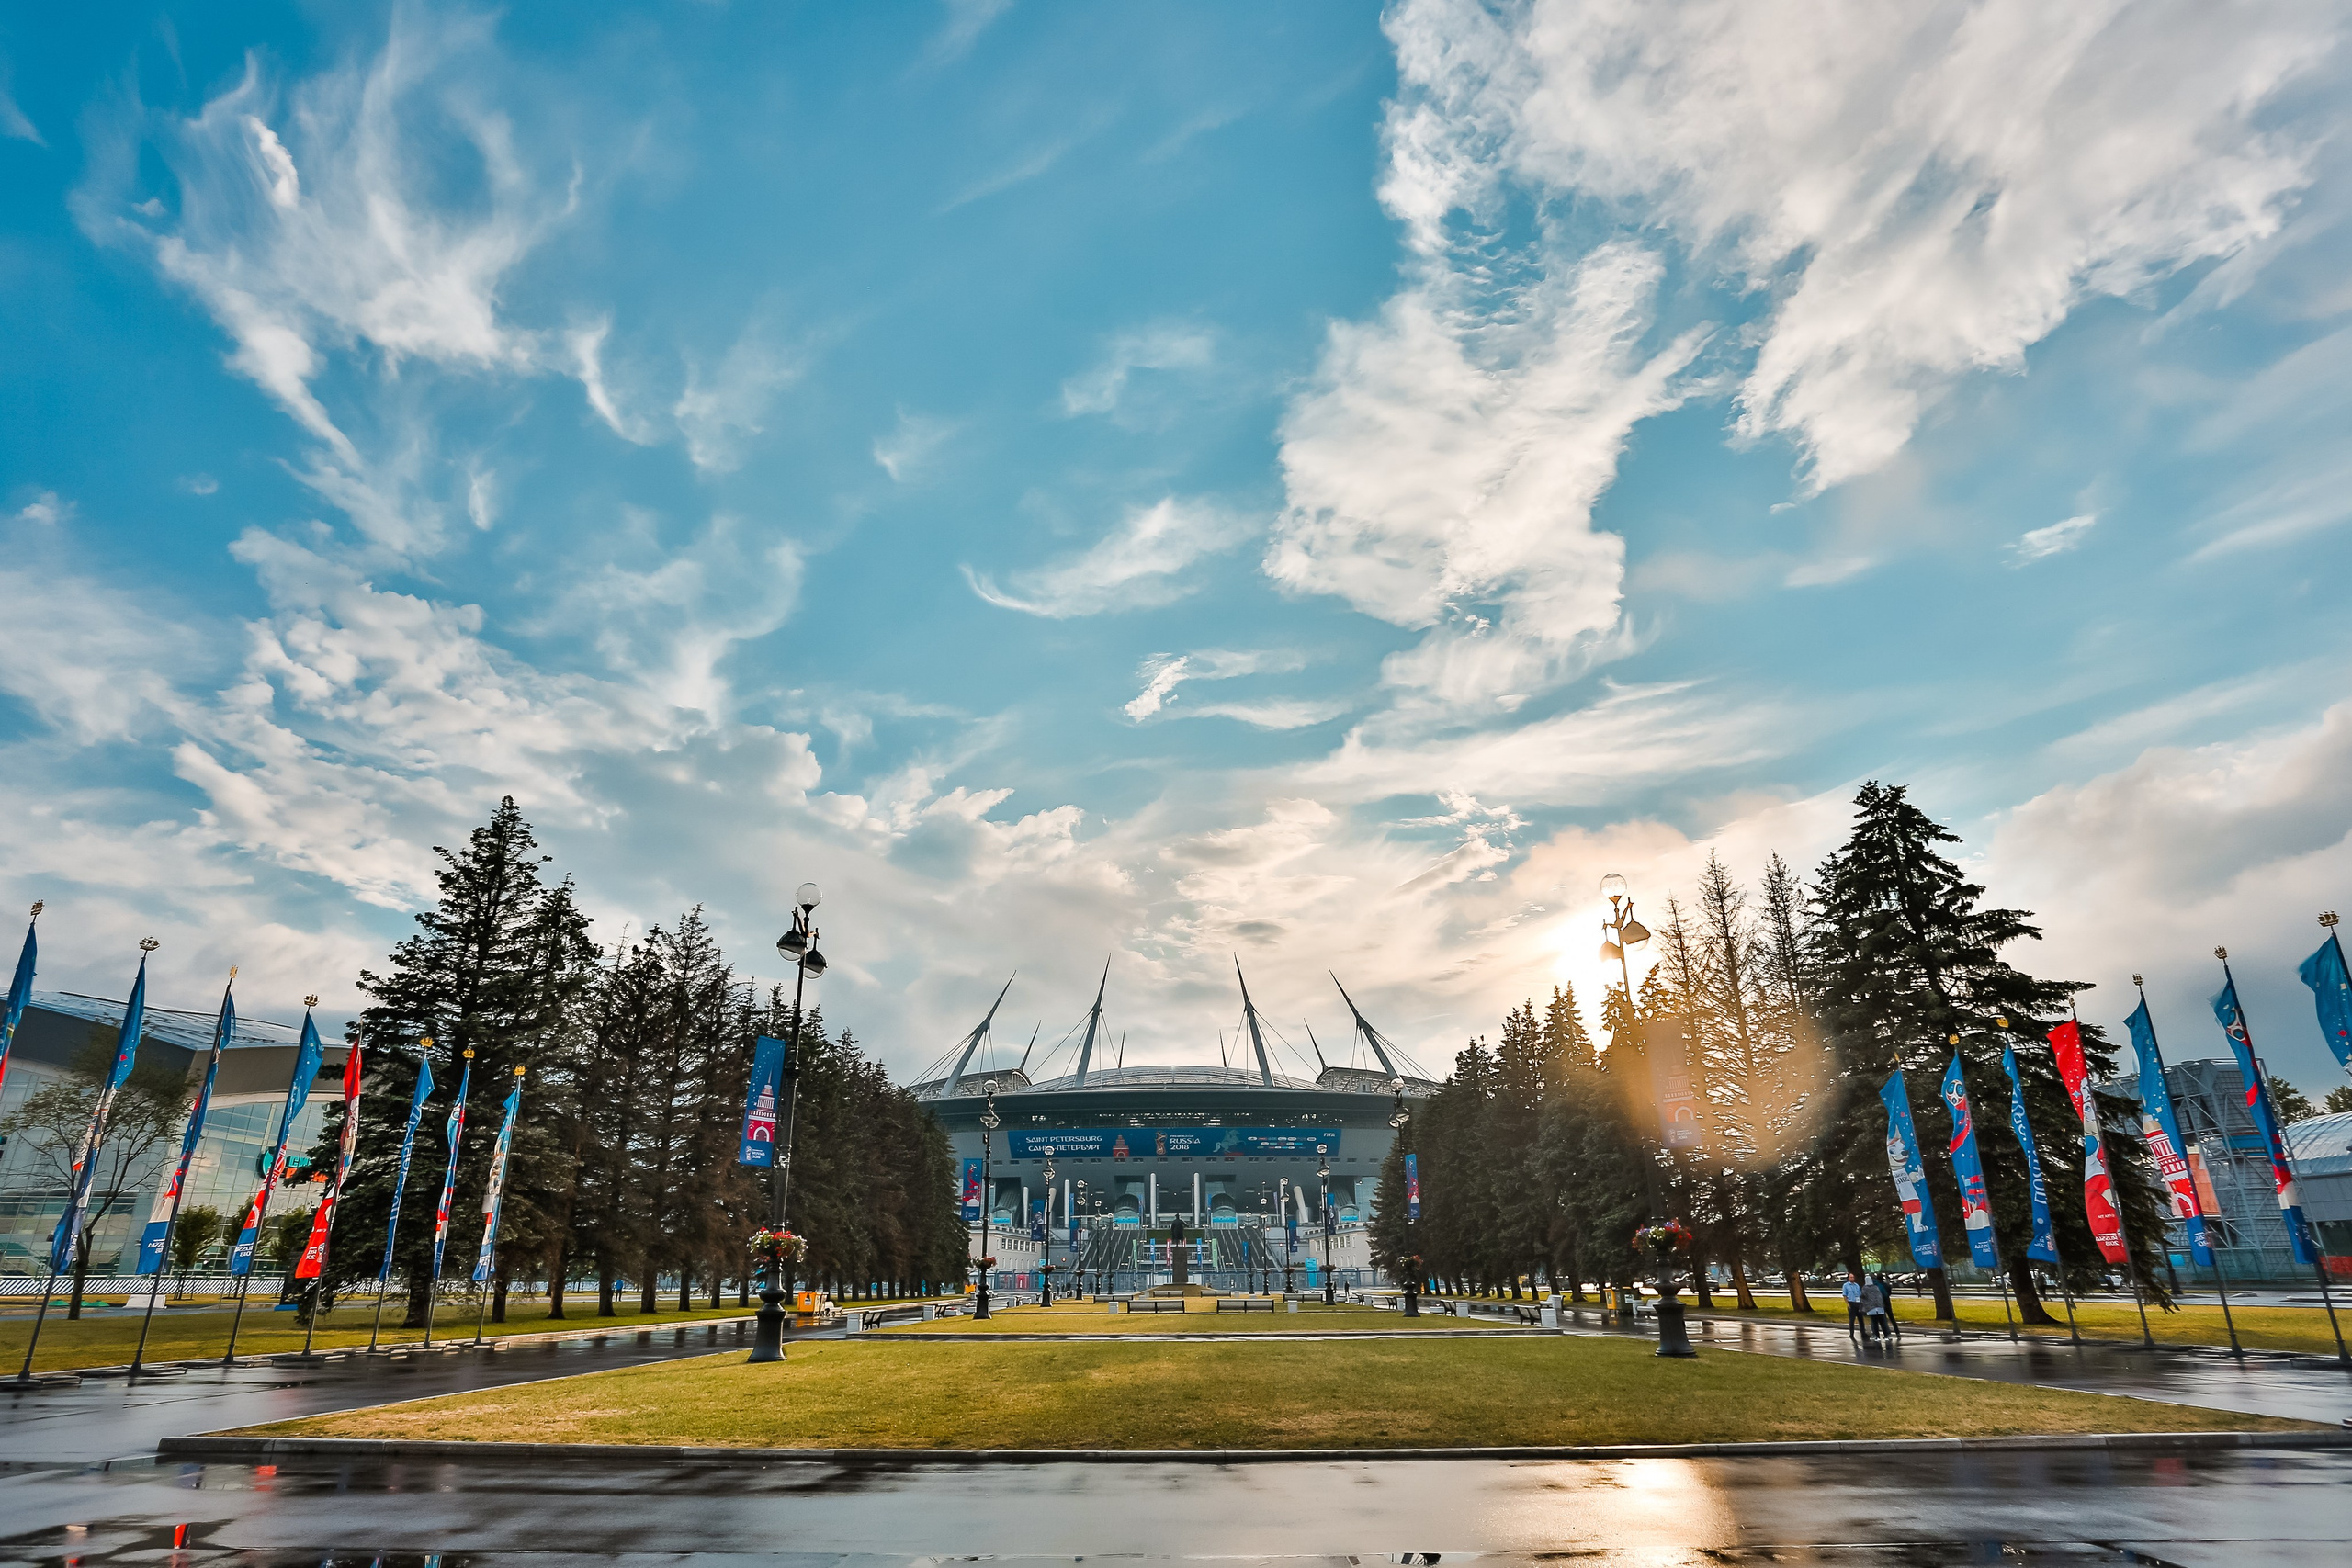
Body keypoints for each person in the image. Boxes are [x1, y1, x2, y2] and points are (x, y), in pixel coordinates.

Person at [1869, 1273, 1902, 1341]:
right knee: (1891, 1318)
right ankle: (1897, 1332)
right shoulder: (1886, 1285)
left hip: (1881, 1304)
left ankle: (1884, 1333)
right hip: (1887, 1302)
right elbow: (1889, 1293)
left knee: (1883, 1320)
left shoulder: (1876, 1286)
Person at [1859, 1274, 1891, 1342]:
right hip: (1879, 1307)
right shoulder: (1876, 1287)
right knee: (1882, 1322)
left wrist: (1865, 1305)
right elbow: (1880, 1296)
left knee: (1874, 1322)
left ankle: (1876, 1335)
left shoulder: (1865, 1288)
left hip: (1871, 1308)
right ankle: (1886, 1335)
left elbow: (1863, 1297)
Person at [1842, 1271, 1865, 1337]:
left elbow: (1860, 1294)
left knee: (1861, 1319)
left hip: (1858, 1303)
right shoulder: (1846, 1285)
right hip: (1851, 1303)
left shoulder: (1856, 1285)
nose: (1852, 1278)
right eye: (1851, 1277)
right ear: (1848, 1278)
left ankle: (1863, 1332)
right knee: (1852, 1319)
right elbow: (1845, 1295)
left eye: (1853, 1277)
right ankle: (1851, 1333)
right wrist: (1848, 1304)